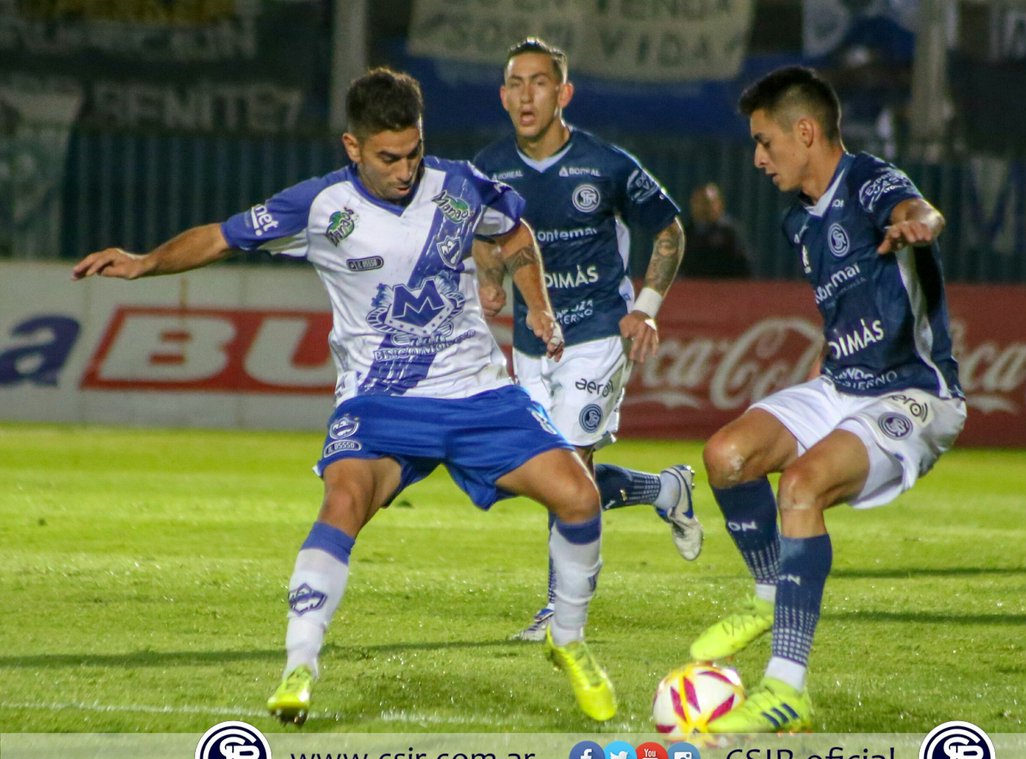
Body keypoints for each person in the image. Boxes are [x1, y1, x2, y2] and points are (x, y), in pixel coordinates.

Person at [71, 68, 619, 723]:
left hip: (477, 393)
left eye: (413, 151)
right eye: (388, 157)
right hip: (379, 402)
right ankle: (299, 666)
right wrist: (143, 261)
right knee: (345, 497)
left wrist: (539, 308)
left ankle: (569, 639)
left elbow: (514, 233)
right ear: (352, 147)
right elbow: (221, 236)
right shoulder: (319, 205)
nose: (405, 169)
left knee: (579, 495)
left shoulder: (463, 186)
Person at [688, 66, 966, 733]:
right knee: (726, 455)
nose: (756, 158)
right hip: (842, 384)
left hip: (916, 393)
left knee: (803, 487)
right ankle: (767, 593)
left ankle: (786, 689)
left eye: (764, 142)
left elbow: (916, 208)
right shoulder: (798, 224)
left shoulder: (869, 181)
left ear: (805, 132)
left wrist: (917, 225)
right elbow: (841, 320)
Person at [471, 38, 703, 642]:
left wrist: (646, 310)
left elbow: (670, 231)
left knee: (570, 466)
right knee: (550, 476)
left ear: (563, 93)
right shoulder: (488, 169)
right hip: (528, 342)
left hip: (598, 333)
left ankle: (559, 608)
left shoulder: (606, 164)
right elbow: (481, 234)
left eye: (539, 82)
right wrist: (490, 281)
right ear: (502, 96)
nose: (526, 94)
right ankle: (664, 489)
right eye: (515, 83)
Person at [680, 182, 754, 279]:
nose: (702, 208)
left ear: (719, 204)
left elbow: (744, 267)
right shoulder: (687, 232)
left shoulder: (729, 232)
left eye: (707, 203)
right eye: (698, 202)